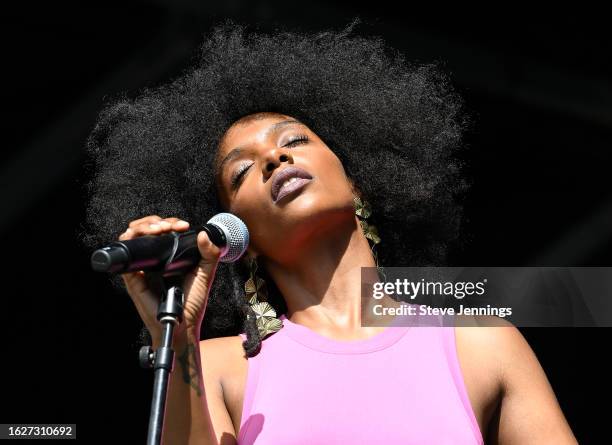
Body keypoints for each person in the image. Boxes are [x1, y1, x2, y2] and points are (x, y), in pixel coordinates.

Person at [81, 21, 578, 444]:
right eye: (241, 173)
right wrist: (180, 339)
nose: (275, 159)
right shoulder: (218, 368)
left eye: (293, 141)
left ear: (357, 179)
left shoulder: (480, 343)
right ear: (236, 238)